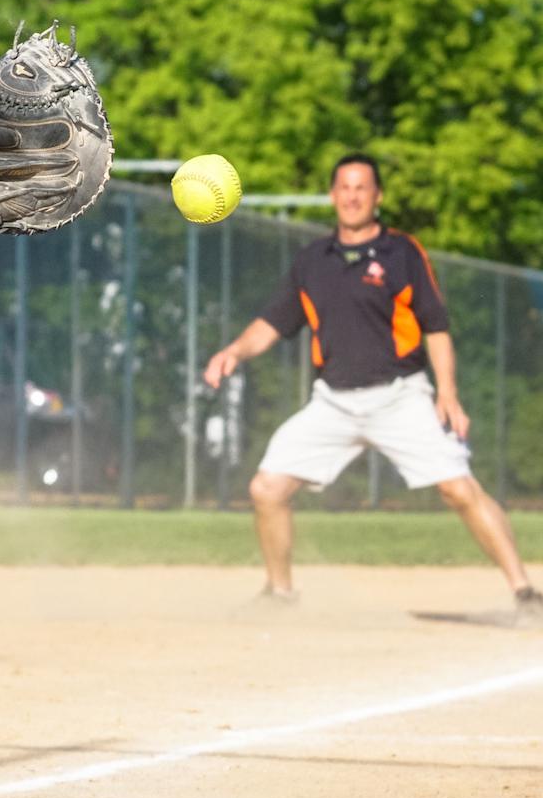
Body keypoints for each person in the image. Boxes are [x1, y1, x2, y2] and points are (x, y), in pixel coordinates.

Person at [205, 154, 540, 621]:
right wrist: (234, 352)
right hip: (334, 403)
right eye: (345, 186)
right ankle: (280, 595)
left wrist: (448, 392)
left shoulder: (402, 253)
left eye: (362, 187)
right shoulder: (312, 261)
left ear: (377, 197)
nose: (353, 195)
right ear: (333, 195)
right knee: (267, 488)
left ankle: (526, 594)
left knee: (459, 490)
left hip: (401, 396)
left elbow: (436, 327)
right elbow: (273, 323)